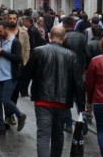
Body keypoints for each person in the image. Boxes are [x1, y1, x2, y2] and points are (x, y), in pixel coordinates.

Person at [19, 26, 86, 157]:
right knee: (58, 134)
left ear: (50, 36)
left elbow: (27, 73)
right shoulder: (71, 55)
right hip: (63, 101)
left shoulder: (38, 51)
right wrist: (81, 105)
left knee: (43, 134)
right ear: (64, 38)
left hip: (42, 99)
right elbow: (78, 82)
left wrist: (23, 89)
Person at [0, 20, 26, 136]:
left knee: (6, 100)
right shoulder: (0, 40)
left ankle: (20, 115)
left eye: (0, 31)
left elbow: (17, 58)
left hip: (10, 76)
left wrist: (2, 52)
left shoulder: (15, 42)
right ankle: (0, 126)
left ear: (7, 29)